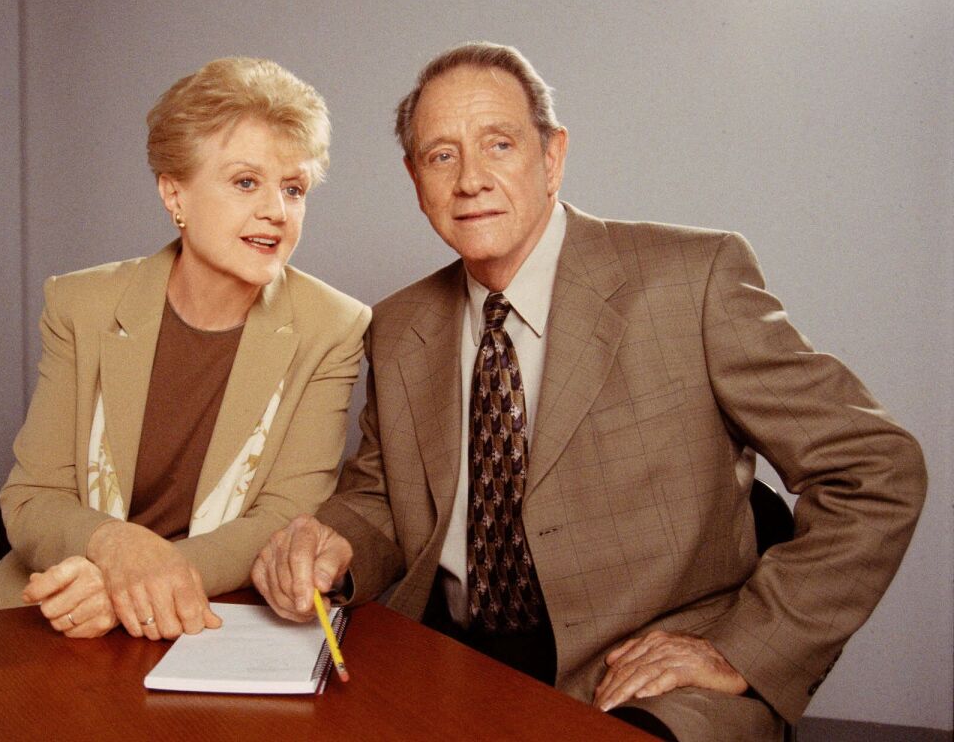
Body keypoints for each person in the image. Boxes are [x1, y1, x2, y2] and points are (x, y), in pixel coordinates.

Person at [251, 42, 926, 741]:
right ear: (414, 178)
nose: (471, 180)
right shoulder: (398, 326)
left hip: (648, 672)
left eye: (499, 144)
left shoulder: (691, 281)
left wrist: (744, 649)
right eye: (441, 155)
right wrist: (331, 545)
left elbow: (877, 469)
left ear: (552, 157)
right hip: (449, 656)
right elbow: (382, 498)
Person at [0, 57, 371, 644]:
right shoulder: (81, 304)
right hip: (58, 610)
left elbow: (283, 519)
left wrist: (132, 583)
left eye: (294, 188)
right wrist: (116, 547)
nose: (277, 212)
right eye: (246, 182)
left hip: (209, 620)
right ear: (174, 192)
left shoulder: (335, 326)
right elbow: (31, 500)